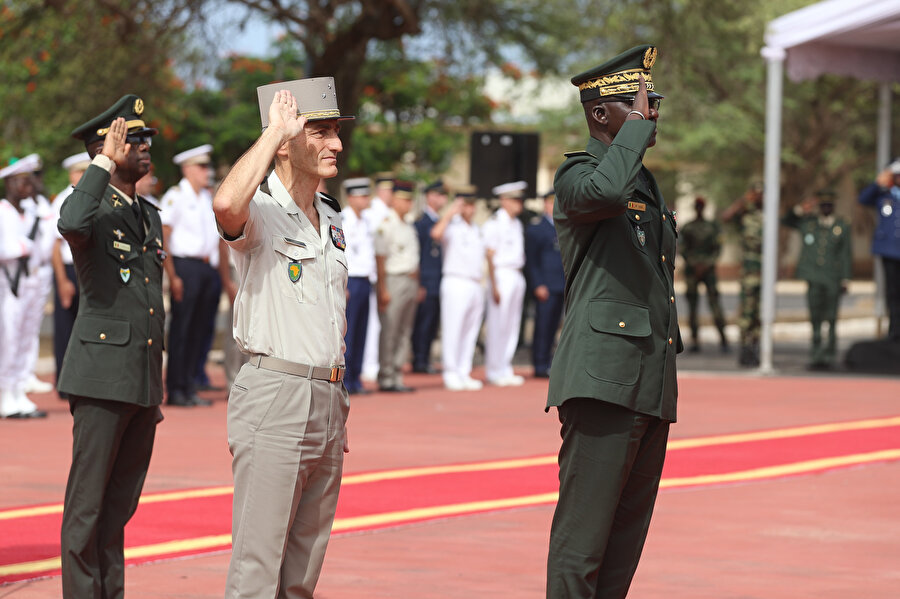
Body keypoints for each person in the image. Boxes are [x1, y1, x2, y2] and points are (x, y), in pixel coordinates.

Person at [546, 45, 681, 598]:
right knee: (583, 542)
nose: (650, 113)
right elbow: (603, 191)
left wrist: (634, 130)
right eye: (637, 102)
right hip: (602, 378)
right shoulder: (579, 175)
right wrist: (632, 135)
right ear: (601, 114)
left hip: (646, 379)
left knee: (623, 542)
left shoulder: (643, 183)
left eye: (654, 102)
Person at [212, 79, 352, 599]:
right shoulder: (262, 210)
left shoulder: (333, 216)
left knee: (301, 574)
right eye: (320, 132)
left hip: (328, 396)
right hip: (275, 393)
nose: (335, 144)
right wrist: (274, 132)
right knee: (257, 568)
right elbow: (226, 205)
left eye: (336, 132)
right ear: (287, 139)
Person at [57, 95, 165, 598]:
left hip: (140, 378)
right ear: (106, 149)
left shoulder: (147, 213)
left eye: (146, 141)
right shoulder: (91, 206)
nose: (145, 149)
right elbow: (71, 223)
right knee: (87, 508)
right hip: (101, 377)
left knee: (118, 508)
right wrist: (100, 162)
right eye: (134, 141)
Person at [160, 144, 220, 407]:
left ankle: (190, 383)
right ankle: (175, 388)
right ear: (187, 169)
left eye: (207, 166)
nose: (206, 172)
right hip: (185, 266)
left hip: (207, 267)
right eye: (201, 166)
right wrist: (172, 275)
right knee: (182, 329)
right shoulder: (176, 196)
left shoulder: (206, 197)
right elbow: (164, 236)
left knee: (200, 328)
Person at [0, 154, 53, 419]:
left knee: (26, 336)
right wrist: (20, 247)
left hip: (32, 279)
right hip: (10, 283)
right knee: (9, 339)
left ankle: (18, 391)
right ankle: (5, 392)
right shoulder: (2, 211)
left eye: (29, 182)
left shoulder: (33, 211)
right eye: (21, 182)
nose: (27, 187)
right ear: (9, 184)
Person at [781, 190, 852, 369]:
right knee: (815, 319)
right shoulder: (809, 224)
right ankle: (816, 355)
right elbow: (786, 221)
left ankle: (829, 356)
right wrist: (800, 209)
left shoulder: (842, 226)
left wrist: (845, 279)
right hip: (813, 277)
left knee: (832, 319)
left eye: (829, 205)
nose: (826, 208)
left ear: (833, 207)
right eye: (823, 205)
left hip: (832, 278)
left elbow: (845, 254)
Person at [431, 185, 485, 390]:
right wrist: (451, 212)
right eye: (466, 205)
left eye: (472, 205)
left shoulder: (477, 229)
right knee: (453, 329)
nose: (470, 209)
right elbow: (435, 234)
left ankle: (464, 370)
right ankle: (451, 371)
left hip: (474, 282)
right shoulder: (452, 226)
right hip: (456, 281)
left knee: (470, 330)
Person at [50, 152, 92, 399]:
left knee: (86, 327)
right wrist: (63, 281)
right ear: (72, 174)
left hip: (87, 270)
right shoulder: (64, 199)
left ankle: (82, 379)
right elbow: (55, 246)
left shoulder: (93, 197)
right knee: (65, 328)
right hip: (68, 269)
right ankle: (64, 383)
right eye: (80, 171)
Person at [375, 180, 422, 392]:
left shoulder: (409, 224)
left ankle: (397, 373)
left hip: (410, 280)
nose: (408, 204)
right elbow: (380, 259)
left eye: (410, 200)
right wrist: (382, 289)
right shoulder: (386, 224)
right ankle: (385, 376)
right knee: (390, 329)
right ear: (393, 199)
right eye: (404, 199)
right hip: (394, 280)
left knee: (404, 330)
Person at [483, 180, 527, 386]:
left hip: (516, 273)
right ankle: (494, 368)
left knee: (512, 324)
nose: (519, 203)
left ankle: (505, 366)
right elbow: (489, 255)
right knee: (498, 323)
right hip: (501, 274)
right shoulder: (494, 222)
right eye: (514, 200)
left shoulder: (516, 223)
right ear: (503, 201)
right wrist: (494, 284)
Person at [678, 196, 729, 353]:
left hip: (708, 270)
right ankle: (694, 339)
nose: (699, 209)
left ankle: (723, 338)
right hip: (692, 270)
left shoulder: (712, 227)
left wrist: (707, 264)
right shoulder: (687, 227)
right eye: (697, 206)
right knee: (693, 306)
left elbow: (717, 249)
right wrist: (694, 263)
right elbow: (682, 248)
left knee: (715, 304)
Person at [525, 189, 566, 378]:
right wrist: (538, 284)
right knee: (543, 325)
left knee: (555, 326)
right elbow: (532, 261)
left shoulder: (565, 226)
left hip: (562, 284)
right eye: (552, 202)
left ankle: (549, 361)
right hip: (546, 285)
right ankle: (539, 363)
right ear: (546, 204)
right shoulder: (536, 228)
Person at [721, 184, 764, 366]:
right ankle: (745, 348)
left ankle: (756, 348)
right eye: (757, 194)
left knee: (760, 314)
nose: (759, 197)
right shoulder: (745, 216)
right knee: (747, 312)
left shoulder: (769, 217)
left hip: (765, 273)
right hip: (749, 272)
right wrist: (745, 200)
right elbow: (726, 217)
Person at [858, 159, 900, 342]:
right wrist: (878, 183)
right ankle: (894, 331)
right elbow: (863, 199)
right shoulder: (884, 194)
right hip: (890, 251)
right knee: (892, 292)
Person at [341, 176, 376, 394]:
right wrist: (342, 284)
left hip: (365, 280)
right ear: (351, 197)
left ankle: (356, 378)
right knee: (349, 332)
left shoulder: (366, 221)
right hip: (350, 280)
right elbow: (341, 255)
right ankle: (345, 379)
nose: (366, 199)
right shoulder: (342, 219)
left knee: (362, 331)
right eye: (362, 196)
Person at [411, 179, 448, 373]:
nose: (443, 199)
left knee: (432, 322)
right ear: (429, 196)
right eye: (439, 195)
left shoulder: (435, 220)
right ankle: (419, 359)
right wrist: (420, 283)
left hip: (437, 278)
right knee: (423, 322)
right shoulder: (423, 221)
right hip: (426, 278)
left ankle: (424, 358)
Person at [360, 171, 394, 381]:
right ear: (381, 190)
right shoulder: (372, 212)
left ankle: (371, 363)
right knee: (369, 324)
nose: (391, 194)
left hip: (380, 274)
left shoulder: (388, 212)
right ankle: (367, 364)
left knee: (375, 324)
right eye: (389, 190)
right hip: (369, 273)